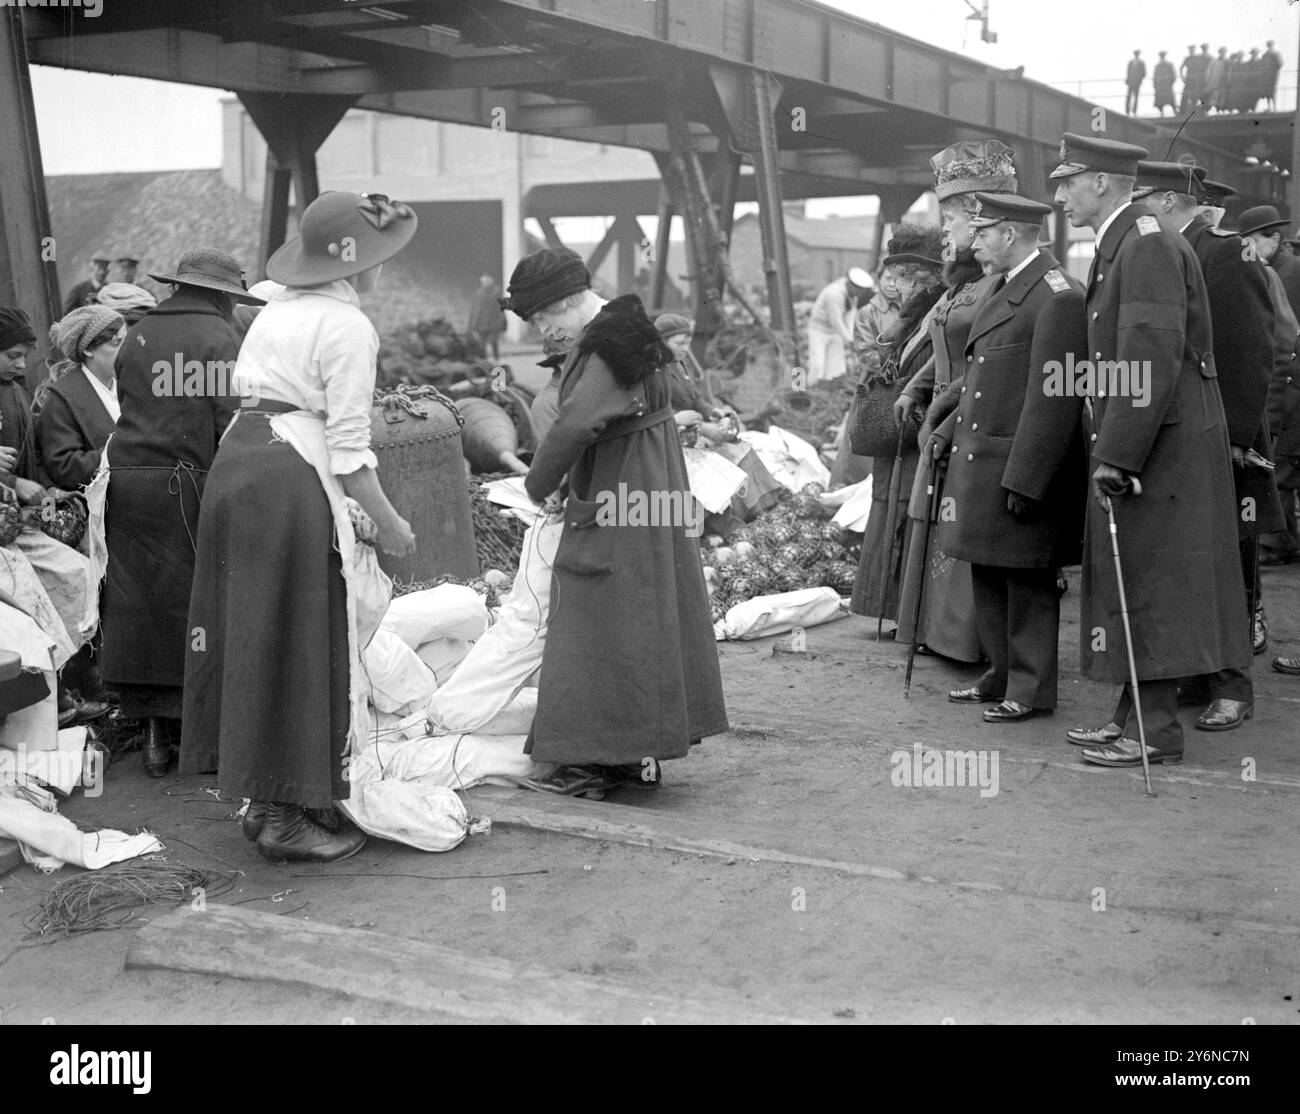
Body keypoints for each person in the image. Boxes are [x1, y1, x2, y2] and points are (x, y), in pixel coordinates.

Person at [181, 191, 417, 863]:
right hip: (289, 475)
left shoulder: (276, 311)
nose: (383, 270)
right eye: (380, 259)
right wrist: (392, 524)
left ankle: (270, 799)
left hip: (239, 463)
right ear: (358, 263)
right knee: (303, 633)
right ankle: (286, 814)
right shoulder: (347, 327)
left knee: (256, 629)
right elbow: (350, 451)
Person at [1051, 133, 1248, 769]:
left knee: (1153, 581)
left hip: (1161, 442)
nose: (1059, 196)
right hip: (1155, 434)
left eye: (1068, 181)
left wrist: (1119, 453)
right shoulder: (1130, 240)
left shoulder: (1144, 244)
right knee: (1136, 574)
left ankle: (1156, 733)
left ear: (1103, 182)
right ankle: (1129, 715)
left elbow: (1148, 354)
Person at [503, 246, 728, 797]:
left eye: (541, 319)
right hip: (648, 483)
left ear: (564, 303)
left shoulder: (606, 347)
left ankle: (589, 761)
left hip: (622, 492)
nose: (542, 334)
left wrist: (536, 484)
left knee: (599, 618)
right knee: (642, 615)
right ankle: (628, 752)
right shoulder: (629, 331)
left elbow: (577, 422)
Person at [102, 249, 262, 778]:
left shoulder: (139, 334)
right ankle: (197, 736)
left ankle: (151, 737)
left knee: (138, 606)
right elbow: (229, 425)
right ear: (219, 294)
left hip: (126, 487)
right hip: (185, 486)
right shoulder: (219, 339)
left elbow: (129, 405)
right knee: (193, 608)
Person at [926, 194, 1086, 723]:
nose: (975, 242)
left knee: (1027, 579)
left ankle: (1032, 687)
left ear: (1012, 235)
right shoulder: (1008, 286)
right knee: (989, 572)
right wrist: (947, 430)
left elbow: (1054, 399)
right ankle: (998, 674)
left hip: (1018, 462)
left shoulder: (1057, 296)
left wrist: (1028, 478)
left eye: (984, 232)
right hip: (984, 455)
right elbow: (982, 380)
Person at [1135, 169, 1284, 731]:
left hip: (1227, 438)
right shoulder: (1168, 248)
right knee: (1195, 561)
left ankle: (1233, 686)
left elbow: (1253, 348)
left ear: (1170, 200)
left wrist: (1239, 441)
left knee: (1232, 564)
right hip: (1191, 434)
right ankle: (1200, 672)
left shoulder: (1224, 252)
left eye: (1141, 198)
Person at [890, 138, 1017, 664]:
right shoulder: (960, 287)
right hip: (941, 415)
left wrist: (942, 409)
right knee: (935, 519)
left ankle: (963, 639)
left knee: (963, 525)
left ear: (980, 219)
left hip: (972, 416)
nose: (944, 230)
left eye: (952, 219)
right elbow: (940, 344)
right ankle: (934, 631)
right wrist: (915, 388)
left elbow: (985, 359)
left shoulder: (995, 285)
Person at [844, 225, 946, 618]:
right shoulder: (912, 317)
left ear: (922, 281)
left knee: (902, 513)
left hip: (909, 433)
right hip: (896, 435)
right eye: (897, 279)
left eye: (904, 280)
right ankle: (886, 605)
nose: (899, 289)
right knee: (890, 508)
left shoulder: (931, 315)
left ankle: (898, 608)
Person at [35, 305, 125, 492]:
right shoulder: (62, 397)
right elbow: (63, 467)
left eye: (126, 341)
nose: (125, 350)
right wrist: (122, 452)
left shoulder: (128, 383)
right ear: (88, 350)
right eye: (116, 343)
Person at [806, 268, 872, 384]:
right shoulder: (834, 294)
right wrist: (848, 340)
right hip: (819, 330)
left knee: (836, 369)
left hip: (835, 332)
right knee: (817, 365)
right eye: (860, 291)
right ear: (852, 285)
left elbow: (850, 317)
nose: (861, 294)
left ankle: (831, 394)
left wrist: (852, 338)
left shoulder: (853, 295)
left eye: (863, 291)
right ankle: (810, 389)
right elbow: (835, 320)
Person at [467, 274, 507, 361]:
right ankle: (484, 360)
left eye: (486, 282)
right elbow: (474, 310)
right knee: (482, 344)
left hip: (493, 323)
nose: (484, 283)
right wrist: (472, 325)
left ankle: (496, 360)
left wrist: (503, 323)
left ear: (490, 282)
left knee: (494, 342)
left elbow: (502, 309)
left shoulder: (497, 293)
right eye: (483, 282)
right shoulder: (478, 293)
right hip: (482, 323)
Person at [1180, 45, 1207, 112]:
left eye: (1192, 49)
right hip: (1189, 79)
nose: (1191, 50)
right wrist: (1182, 77)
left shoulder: (1198, 58)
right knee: (1186, 94)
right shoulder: (1187, 58)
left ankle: (1203, 108)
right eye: (1190, 49)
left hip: (1197, 79)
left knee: (1199, 93)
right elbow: (1181, 68)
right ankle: (1183, 110)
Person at [1153, 51, 1176, 115]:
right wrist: (1155, 85)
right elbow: (1155, 76)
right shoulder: (1157, 66)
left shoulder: (1169, 65)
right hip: (1160, 86)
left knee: (1171, 101)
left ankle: (1175, 112)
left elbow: (1173, 75)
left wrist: (1170, 83)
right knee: (1160, 101)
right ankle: (1161, 113)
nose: (1162, 57)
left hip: (1167, 85)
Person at [1205, 47, 1228, 111]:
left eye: (1224, 52)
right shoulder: (1214, 60)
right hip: (1214, 80)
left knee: (1222, 95)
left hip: (1223, 80)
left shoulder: (1227, 61)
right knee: (1212, 94)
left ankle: (1219, 109)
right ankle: (1208, 109)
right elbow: (1209, 70)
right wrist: (1207, 79)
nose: (1223, 53)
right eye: (1221, 52)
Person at [1263, 40, 1283, 111]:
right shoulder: (1265, 55)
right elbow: (1262, 64)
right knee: (1267, 90)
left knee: (1273, 90)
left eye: (1270, 45)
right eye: (1268, 45)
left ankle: (1274, 107)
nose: (1269, 47)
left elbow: (1280, 64)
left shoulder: (1276, 54)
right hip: (1266, 75)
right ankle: (1269, 107)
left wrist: (1272, 68)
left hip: (1273, 74)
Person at [1125, 50, 1146, 115]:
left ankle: (1134, 111)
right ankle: (1127, 110)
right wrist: (1128, 79)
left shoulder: (1141, 62)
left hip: (1137, 82)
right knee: (1129, 96)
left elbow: (1144, 72)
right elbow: (1128, 72)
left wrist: (1140, 79)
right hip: (1131, 82)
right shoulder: (1131, 62)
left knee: (1136, 97)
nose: (1136, 55)